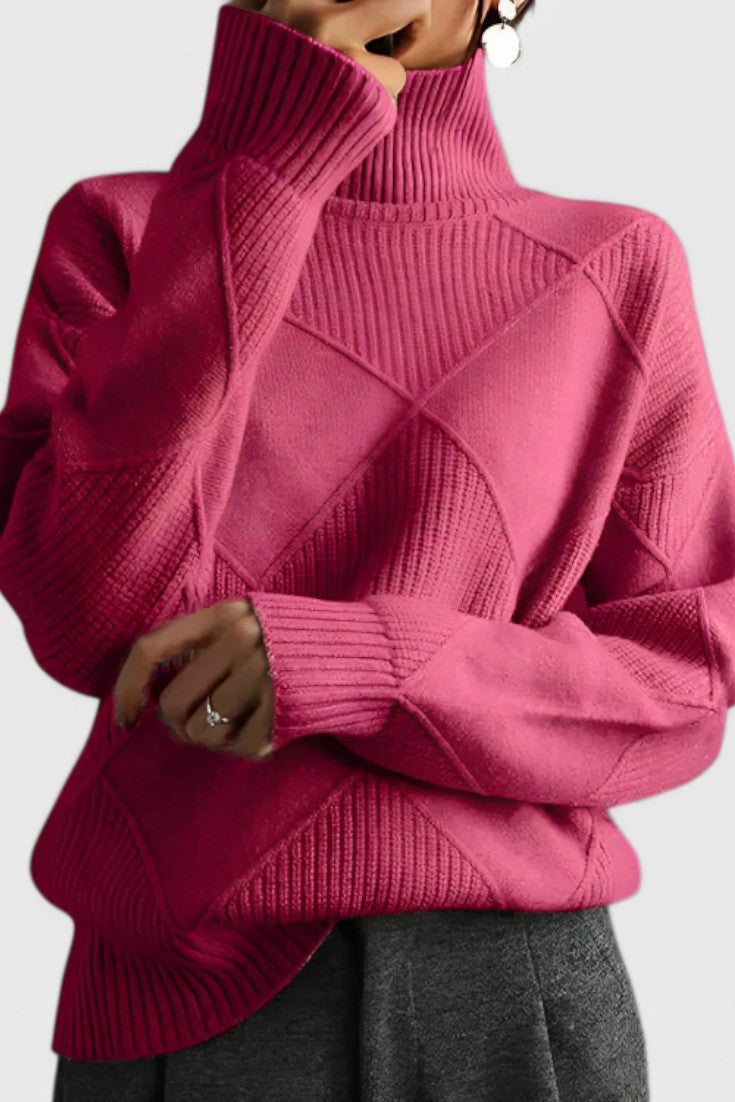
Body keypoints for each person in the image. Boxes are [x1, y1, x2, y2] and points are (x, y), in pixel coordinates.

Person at [1, 0, 733, 1098]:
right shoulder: (124, 234)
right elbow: (83, 617)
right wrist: (266, 159)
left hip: (508, 992)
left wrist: (364, 665)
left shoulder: (615, 267)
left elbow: (686, 680)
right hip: (183, 995)